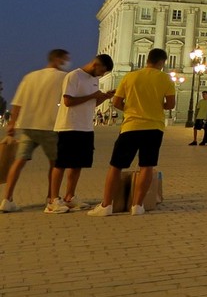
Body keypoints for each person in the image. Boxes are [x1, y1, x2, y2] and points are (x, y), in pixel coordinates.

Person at [89, 48, 175, 217]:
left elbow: (116, 102)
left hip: (131, 127)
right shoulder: (165, 79)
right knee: (146, 166)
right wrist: (156, 107)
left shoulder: (130, 77)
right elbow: (170, 104)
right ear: (162, 62)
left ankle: (106, 205)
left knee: (116, 166)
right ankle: (137, 205)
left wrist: (130, 110)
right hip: (154, 128)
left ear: (147, 60)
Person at [2, 49, 70, 212]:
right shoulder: (63, 77)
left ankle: (7, 199)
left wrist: (12, 124)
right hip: (50, 126)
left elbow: (17, 103)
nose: (67, 62)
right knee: (55, 164)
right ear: (58, 59)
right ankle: (52, 199)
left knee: (19, 161)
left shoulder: (30, 77)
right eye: (65, 59)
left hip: (28, 126)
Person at [46, 54, 115, 213]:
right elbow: (68, 101)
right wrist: (93, 95)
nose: (102, 75)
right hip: (68, 126)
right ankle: (53, 200)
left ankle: (70, 197)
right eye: (102, 71)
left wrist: (104, 97)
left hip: (86, 127)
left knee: (78, 164)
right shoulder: (74, 76)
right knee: (61, 164)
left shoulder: (94, 80)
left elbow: (93, 103)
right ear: (96, 64)